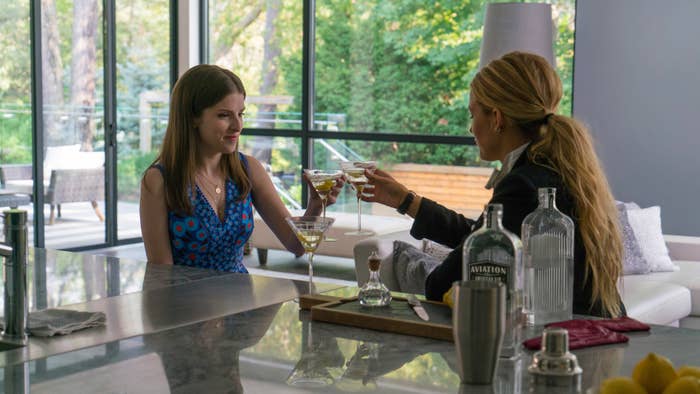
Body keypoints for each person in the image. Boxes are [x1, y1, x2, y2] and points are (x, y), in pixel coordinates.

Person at [361, 51, 625, 318]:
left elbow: (441, 284)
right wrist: (406, 201)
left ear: (497, 119)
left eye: (473, 114)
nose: (471, 128)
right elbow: (482, 236)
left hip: (568, 340)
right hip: (597, 329)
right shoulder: (553, 168)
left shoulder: (523, 185)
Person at [140, 64, 343, 272]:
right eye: (224, 115)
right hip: (184, 303)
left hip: (243, 300)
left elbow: (296, 245)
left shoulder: (248, 169)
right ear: (192, 117)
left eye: (241, 114)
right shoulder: (159, 180)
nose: (237, 126)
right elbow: (161, 275)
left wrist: (316, 205)